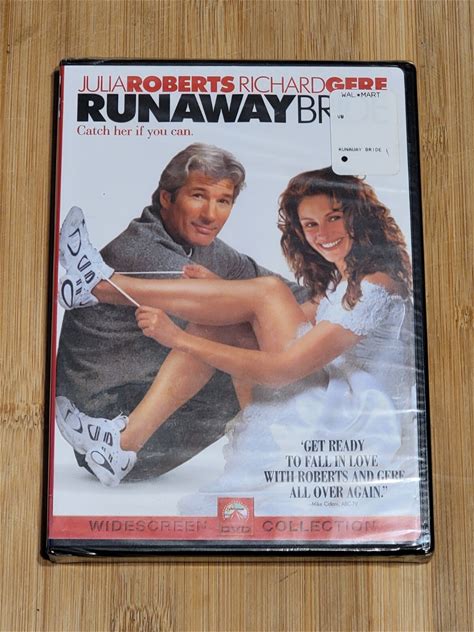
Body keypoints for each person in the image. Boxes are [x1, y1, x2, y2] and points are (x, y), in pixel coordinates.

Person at [56, 168, 416, 505]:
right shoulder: (340, 285)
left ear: (357, 216)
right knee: (219, 324)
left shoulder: (376, 284)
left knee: (268, 291)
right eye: (310, 224)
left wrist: (178, 339)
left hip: (346, 425)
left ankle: (101, 286)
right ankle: (122, 444)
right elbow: (275, 317)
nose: (322, 233)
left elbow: (283, 369)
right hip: (322, 403)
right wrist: (222, 292)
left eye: (334, 217)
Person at [56, 143, 307, 480]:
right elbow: (252, 301)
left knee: (255, 308)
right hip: (103, 426)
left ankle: (99, 284)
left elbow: (294, 296)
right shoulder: (142, 249)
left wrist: (340, 305)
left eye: (223, 201)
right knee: (233, 317)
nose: (210, 215)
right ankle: (127, 441)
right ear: (166, 198)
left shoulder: (207, 250)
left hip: (143, 434)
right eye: (198, 196)